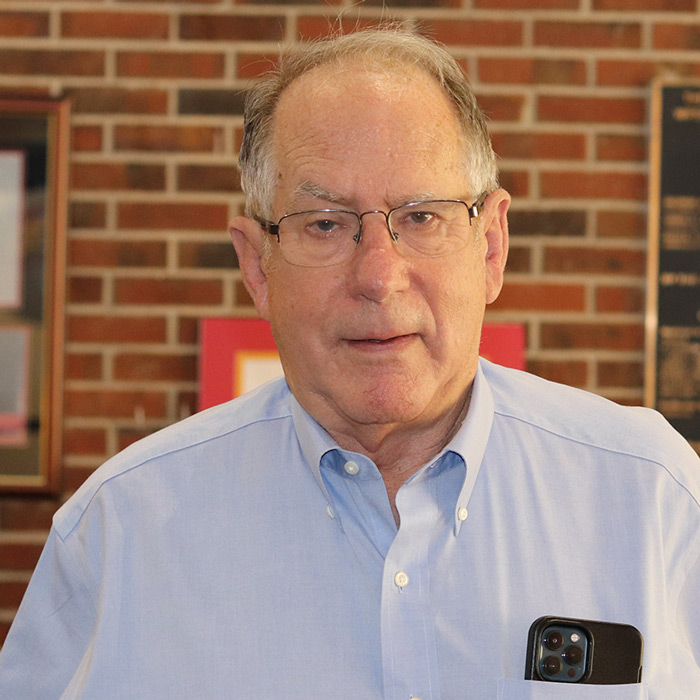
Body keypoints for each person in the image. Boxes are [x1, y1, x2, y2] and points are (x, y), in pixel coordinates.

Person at [1, 26, 699, 700]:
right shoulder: (121, 532)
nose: (378, 275)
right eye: (326, 224)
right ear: (257, 266)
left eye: (422, 217)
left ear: (491, 246)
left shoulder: (651, 499)